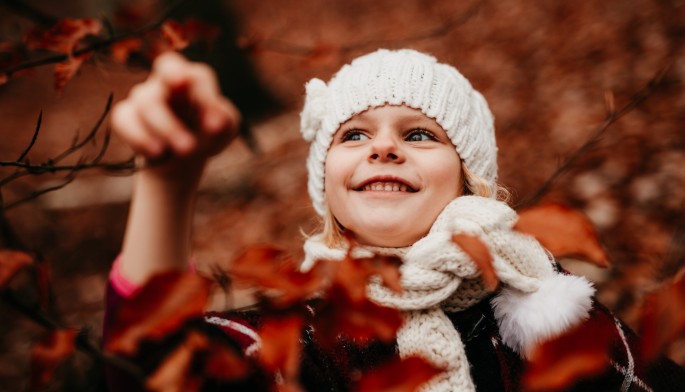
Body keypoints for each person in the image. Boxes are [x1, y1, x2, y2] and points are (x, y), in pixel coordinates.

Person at [104, 49, 685, 391]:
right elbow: (159, 364)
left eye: (418, 134)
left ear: (469, 180)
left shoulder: (536, 297)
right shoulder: (301, 337)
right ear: (327, 185)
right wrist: (166, 181)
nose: (383, 148)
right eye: (354, 134)